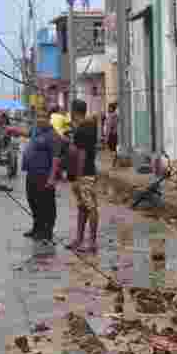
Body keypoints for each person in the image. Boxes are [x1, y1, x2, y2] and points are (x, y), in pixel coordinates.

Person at [20, 109, 62, 243]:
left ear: (49, 119)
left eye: (44, 117)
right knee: (33, 201)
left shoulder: (53, 135)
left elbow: (56, 158)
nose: (41, 119)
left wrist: (52, 178)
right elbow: (26, 134)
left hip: (44, 175)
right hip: (32, 173)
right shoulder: (35, 130)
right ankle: (36, 228)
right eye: (39, 117)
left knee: (46, 205)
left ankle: (47, 232)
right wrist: (12, 130)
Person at [67, 99, 100, 253]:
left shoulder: (82, 130)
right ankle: (79, 239)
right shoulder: (89, 127)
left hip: (84, 174)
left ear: (74, 111)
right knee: (82, 207)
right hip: (86, 172)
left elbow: (82, 154)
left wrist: (78, 178)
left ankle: (91, 242)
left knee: (90, 206)